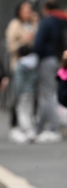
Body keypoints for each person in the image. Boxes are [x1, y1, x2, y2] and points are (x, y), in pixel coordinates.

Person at [33, 0, 67, 143]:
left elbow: (38, 43)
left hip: (47, 59)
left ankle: (53, 128)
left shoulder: (47, 21)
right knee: (55, 93)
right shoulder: (63, 21)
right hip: (61, 60)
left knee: (47, 94)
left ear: (45, 8)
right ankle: (41, 127)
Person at [5, 1, 38, 143]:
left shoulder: (33, 23)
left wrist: (36, 22)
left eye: (29, 10)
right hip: (19, 64)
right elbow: (11, 46)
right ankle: (15, 126)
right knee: (18, 95)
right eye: (24, 10)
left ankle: (28, 126)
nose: (27, 12)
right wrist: (25, 40)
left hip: (33, 64)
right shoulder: (15, 25)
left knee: (30, 96)